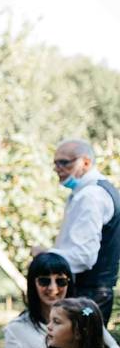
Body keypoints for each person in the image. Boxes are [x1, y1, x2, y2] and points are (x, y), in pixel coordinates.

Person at [4, 252, 120, 348]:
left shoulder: (85, 316)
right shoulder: (16, 329)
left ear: (69, 283)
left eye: (61, 281)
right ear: (33, 284)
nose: (53, 288)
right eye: (44, 281)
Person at [44, 139, 120, 324]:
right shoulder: (86, 192)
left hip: (90, 296)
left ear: (85, 163)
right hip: (89, 292)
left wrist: (46, 257)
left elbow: (83, 256)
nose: (57, 168)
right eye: (55, 163)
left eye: (64, 162)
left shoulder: (91, 196)